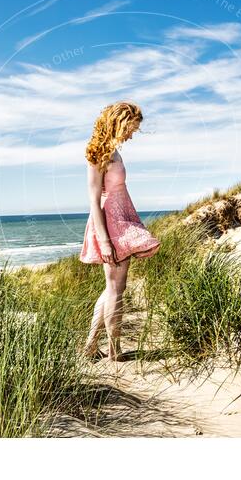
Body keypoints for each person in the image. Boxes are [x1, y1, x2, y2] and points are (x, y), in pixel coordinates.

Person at [79, 101, 161, 361]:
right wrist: (104, 241)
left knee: (111, 287)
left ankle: (91, 347)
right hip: (110, 223)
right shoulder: (98, 154)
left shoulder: (113, 151)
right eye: (131, 128)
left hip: (120, 217)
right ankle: (114, 351)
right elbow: (94, 200)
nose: (132, 134)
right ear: (119, 122)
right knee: (117, 288)